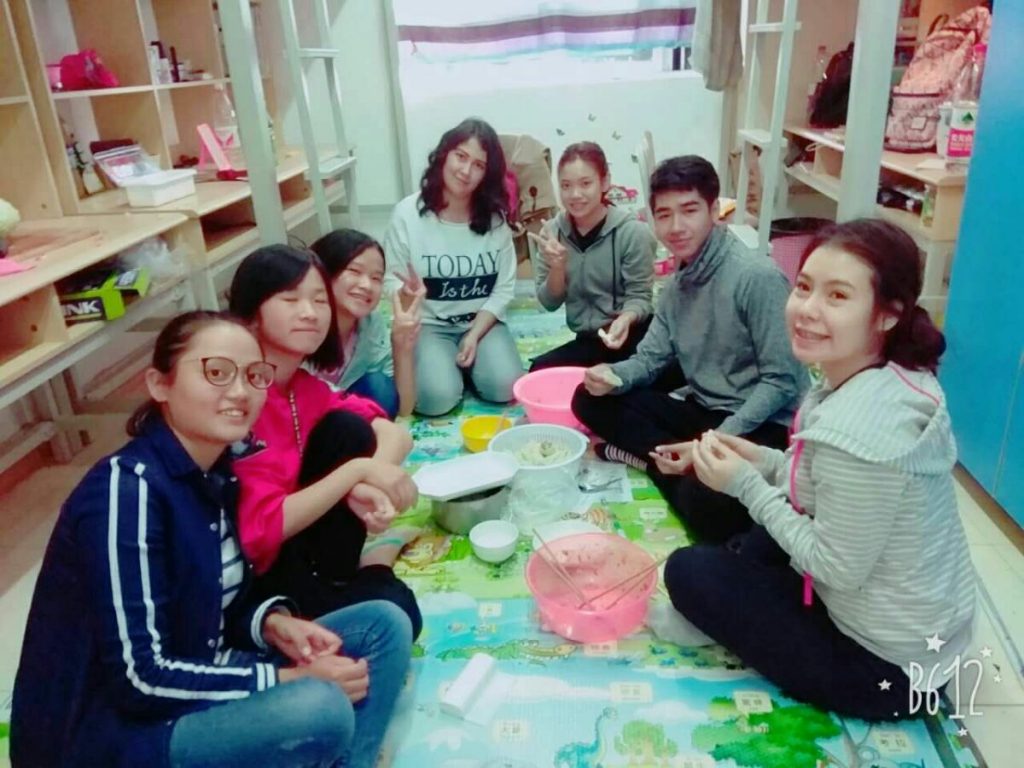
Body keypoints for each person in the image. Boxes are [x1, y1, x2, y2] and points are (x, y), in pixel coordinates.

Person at [10, 311, 412, 768]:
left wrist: (272, 623)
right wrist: (285, 679)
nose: (240, 391)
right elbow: (140, 678)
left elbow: (218, 602)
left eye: (253, 376)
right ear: (159, 384)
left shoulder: (216, 472)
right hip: (112, 732)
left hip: (200, 670)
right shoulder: (127, 492)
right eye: (217, 372)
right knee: (319, 706)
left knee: (383, 625)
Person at [666, 219, 976, 720]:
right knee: (708, 500)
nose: (807, 310)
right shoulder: (876, 372)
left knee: (688, 571)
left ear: (888, 314)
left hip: (888, 668)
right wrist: (763, 462)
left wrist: (747, 486)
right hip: (912, 619)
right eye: (805, 287)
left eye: (837, 296)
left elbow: (834, 568)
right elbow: (819, 480)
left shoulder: (865, 434)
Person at [572, 155, 807, 543]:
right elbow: (651, 358)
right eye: (664, 215)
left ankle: (658, 464)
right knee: (587, 398)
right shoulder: (678, 281)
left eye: (689, 210)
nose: (676, 227)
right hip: (704, 411)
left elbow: (781, 382)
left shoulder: (756, 277)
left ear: (714, 211)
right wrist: (613, 376)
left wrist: (712, 444)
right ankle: (678, 465)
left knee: (709, 509)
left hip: (760, 424)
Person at [228, 245, 423, 638]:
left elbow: (395, 432)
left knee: (348, 429)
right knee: (394, 615)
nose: (310, 313)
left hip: (299, 549)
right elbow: (260, 531)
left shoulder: (302, 386)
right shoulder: (239, 397)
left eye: (319, 300)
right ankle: (376, 563)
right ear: (251, 314)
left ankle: (347, 574)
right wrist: (357, 473)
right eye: (291, 299)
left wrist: (367, 485)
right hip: (249, 578)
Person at [382, 117, 523, 416]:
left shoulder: (495, 221)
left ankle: (470, 363)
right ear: (444, 154)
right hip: (429, 325)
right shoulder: (407, 214)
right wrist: (407, 295)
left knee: (506, 387)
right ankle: (451, 369)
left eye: (478, 165)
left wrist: (474, 335)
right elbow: (391, 281)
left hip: (481, 324)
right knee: (435, 400)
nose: (466, 171)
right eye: (461, 156)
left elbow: (503, 289)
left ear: (486, 174)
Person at [528, 141, 656, 370]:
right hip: (589, 340)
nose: (575, 194)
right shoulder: (552, 233)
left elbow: (640, 297)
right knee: (539, 370)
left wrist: (625, 319)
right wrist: (557, 267)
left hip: (632, 334)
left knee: (637, 378)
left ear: (605, 182)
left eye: (585, 183)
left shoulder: (633, 233)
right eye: (566, 186)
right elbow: (548, 303)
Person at [310, 228, 424, 418]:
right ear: (323, 272)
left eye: (376, 278)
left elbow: (403, 408)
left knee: (380, 387)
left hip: (340, 418)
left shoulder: (370, 323)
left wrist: (402, 346)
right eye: (355, 271)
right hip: (297, 421)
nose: (366, 285)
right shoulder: (305, 322)